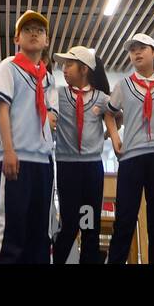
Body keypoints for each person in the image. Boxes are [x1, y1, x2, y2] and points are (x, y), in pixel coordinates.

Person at [0, 10, 59, 264]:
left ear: (47, 40)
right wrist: (8, 151)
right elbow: (3, 109)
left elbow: (52, 115)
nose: (34, 33)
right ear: (16, 38)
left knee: (39, 234)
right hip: (16, 158)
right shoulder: (10, 66)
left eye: (39, 30)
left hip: (43, 162)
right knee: (11, 232)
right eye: (27, 30)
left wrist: (50, 119)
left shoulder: (49, 78)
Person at [106, 33, 154, 265]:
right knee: (124, 221)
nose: (136, 52)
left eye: (142, 48)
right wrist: (115, 136)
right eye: (132, 49)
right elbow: (109, 112)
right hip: (131, 159)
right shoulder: (123, 86)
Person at [51, 45, 118, 265]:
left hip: (91, 169)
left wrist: (110, 132)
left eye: (69, 65)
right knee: (69, 224)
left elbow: (118, 115)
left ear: (84, 69)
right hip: (67, 166)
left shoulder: (100, 98)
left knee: (89, 224)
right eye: (63, 65)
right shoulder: (58, 95)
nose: (64, 69)